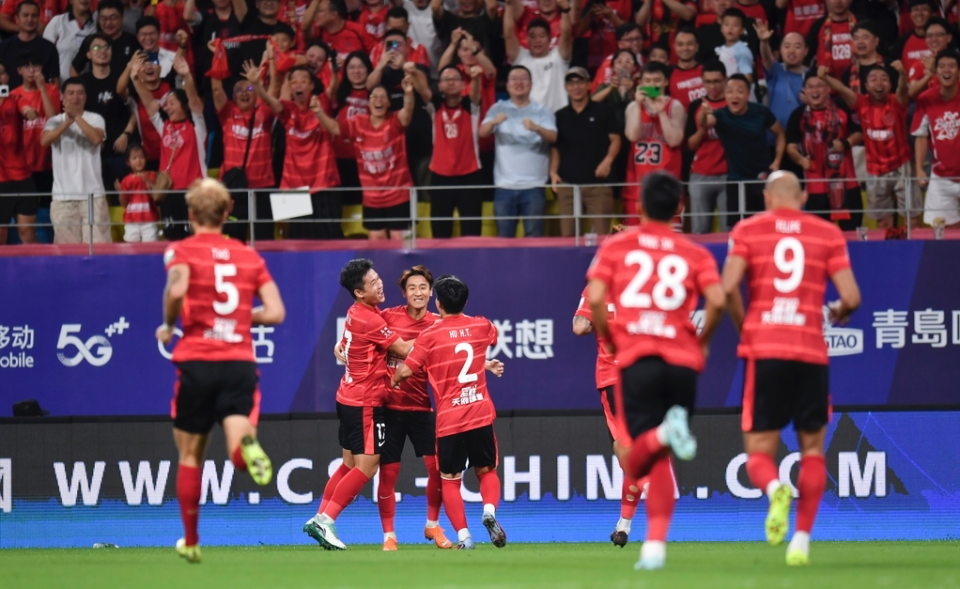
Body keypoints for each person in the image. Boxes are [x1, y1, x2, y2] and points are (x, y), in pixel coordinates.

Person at [586, 171, 725, 570]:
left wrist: (613, 341)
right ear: (681, 207)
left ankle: (664, 437)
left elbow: (595, 298)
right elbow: (717, 300)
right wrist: (703, 341)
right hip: (681, 363)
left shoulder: (617, 247)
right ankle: (654, 547)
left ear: (640, 206)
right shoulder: (694, 252)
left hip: (639, 363)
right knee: (661, 457)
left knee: (642, 453)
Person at [721, 170, 861, 566]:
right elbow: (852, 297)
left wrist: (747, 329)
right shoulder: (827, 233)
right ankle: (801, 540)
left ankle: (775, 490)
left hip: (765, 350)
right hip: (810, 352)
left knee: (758, 454)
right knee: (813, 450)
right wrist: (839, 310)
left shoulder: (748, 230)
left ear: (767, 198)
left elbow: (727, 287)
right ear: (802, 198)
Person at [155, 178, 285, 563]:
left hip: (197, 359)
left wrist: (169, 323)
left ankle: (191, 540)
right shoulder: (249, 256)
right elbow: (276, 312)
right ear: (228, 212)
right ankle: (245, 450)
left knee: (190, 454)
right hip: (238, 362)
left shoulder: (181, 250)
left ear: (191, 214)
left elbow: (175, 291)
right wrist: (241, 317)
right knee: (238, 439)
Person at [304, 258, 413, 551]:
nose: (380, 284)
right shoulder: (370, 319)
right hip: (366, 402)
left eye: (378, 278)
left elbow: (345, 345)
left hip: (348, 397)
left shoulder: (356, 312)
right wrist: (436, 338)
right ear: (359, 292)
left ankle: (319, 517)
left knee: (348, 465)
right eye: (372, 282)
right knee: (367, 467)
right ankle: (326, 520)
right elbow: (404, 349)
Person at [391, 274, 507, 551]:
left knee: (451, 481)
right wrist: (484, 363)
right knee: (487, 471)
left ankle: (464, 537)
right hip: (479, 413)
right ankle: (489, 511)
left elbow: (406, 370)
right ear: (464, 301)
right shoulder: (481, 325)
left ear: (438, 304)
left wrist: (393, 379)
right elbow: (492, 335)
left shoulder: (429, 335)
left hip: (450, 420)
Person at [572, 223, 643, 546]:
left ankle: (648, 476)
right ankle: (624, 525)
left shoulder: (598, 287)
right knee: (628, 450)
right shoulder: (649, 287)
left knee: (627, 451)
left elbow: (579, 327)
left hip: (615, 376)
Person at [820, 62, 918, 228]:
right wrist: (825, 77)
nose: (879, 83)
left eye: (884, 79)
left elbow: (902, 90)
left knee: (912, 220)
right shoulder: (862, 103)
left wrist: (902, 73)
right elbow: (842, 89)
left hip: (903, 167)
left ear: (890, 85)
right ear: (866, 86)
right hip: (875, 170)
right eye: (873, 79)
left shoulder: (897, 102)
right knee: (883, 222)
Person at [131, 54, 207, 240]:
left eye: (172, 103)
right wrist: (135, 79)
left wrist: (187, 76)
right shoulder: (164, 127)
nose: (167, 107)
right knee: (172, 239)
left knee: (193, 239)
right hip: (168, 193)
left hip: (193, 191)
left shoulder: (196, 127)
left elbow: (194, 101)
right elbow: (149, 103)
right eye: (166, 104)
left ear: (184, 106)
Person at [479, 65, 557, 238]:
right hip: (504, 187)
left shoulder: (542, 110)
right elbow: (482, 133)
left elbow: (553, 137)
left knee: (534, 238)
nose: (519, 83)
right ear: (507, 85)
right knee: (504, 239)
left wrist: (536, 128)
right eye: (514, 79)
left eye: (523, 79)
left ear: (531, 84)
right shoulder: (498, 108)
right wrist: (494, 122)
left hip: (534, 186)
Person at [697, 74, 785, 223]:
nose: (734, 96)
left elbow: (780, 134)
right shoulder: (721, 115)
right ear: (725, 94)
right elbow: (705, 123)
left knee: (765, 225)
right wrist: (703, 113)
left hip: (762, 178)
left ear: (748, 94)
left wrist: (777, 161)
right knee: (738, 227)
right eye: (730, 91)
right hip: (736, 180)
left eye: (740, 91)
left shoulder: (761, 112)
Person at [786, 70, 862, 229]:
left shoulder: (843, 107)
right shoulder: (797, 115)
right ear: (805, 91)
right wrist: (800, 159)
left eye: (819, 86)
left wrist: (846, 143)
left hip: (846, 183)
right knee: (819, 233)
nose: (815, 90)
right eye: (810, 87)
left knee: (852, 232)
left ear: (828, 88)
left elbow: (859, 133)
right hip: (816, 186)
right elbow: (791, 146)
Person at [550, 66, 620, 237]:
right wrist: (552, 172)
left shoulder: (604, 110)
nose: (576, 87)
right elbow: (556, 147)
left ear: (589, 85)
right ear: (566, 87)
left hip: (598, 185)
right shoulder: (560, 116)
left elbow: (616, 139)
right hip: (568, 185)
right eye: (571, 83)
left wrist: (608, 161)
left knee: (601, 236)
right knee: (568, 237)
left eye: (580, 82)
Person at [41, 77, 110, 244]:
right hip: (63, 198)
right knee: (67, 253)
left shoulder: (96, 119)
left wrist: (77, 117)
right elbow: (44, 141)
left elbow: (96, 139)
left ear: (85, 96)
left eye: (80, 93)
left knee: (99, 249)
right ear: (63, 97)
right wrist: (66, 123)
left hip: (93, 196)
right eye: (70, 93)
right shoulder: (54, 121)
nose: (75, 97)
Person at [79, 33, 138, 230]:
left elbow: (135, 111)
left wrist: (126, 134)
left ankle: (130, 237)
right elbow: (77, 116)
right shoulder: (82, 83)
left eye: (107, 47)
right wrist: (92, 137)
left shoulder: (122, 78)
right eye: (96, 48)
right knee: (98, 202)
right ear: (88, 54)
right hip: (94, 151)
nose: (102, 51)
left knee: (126, 198)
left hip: (121, 150)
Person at [213, 67, 278, 241]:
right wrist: (217, 58)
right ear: (233, 96)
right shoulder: (227, 113)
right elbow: (216, 89)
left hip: (262, 187)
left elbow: (274, 90)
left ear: (256, 94)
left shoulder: (264, 113)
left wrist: (271, 63)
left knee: (264, 238)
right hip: (234, 190)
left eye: (249, 89)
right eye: (239, 90)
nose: (244, 93)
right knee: (234, 238)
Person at [425, 65, 485, 238]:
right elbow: (422, 90)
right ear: (439, 85)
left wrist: (475, 78)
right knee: (440, 232)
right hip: (440, 176)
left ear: (463, 84)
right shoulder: (435, 106)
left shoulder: (470, 106)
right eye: (446, 79)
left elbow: (475, 94)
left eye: (455, 79)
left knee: (472, 232)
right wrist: (412, 72)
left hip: (470, 175)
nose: (450, 82)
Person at [623, 61, 685, 225]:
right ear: (641, 83)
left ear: (666, 82)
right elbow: (632, 136)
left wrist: (661, 112)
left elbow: (674, 140)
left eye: (657, 80)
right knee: (636, 238)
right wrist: (638, 105)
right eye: (648, 81)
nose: (652, 85)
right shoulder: (632, 107)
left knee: (669, 236)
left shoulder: (675, 107)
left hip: (668, 187)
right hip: (637, 188)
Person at [913, 50, 960, 228]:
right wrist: (919, 169)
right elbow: (921, 135)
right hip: (941, 178)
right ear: (936, 71)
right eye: (942, 66)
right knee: (943, 234)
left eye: (952, 66)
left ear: (959, 71)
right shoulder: (926, 99)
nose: (947, 70)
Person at [504, 5, 573, 113]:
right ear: (527, 40)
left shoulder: (558, 57)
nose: (537, 40)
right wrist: (508, 5)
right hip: (528, 119)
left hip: (557, 119)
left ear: (550, 39)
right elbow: (508, 34)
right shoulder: (521, 58)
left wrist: (565, 10)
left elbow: (566, 34)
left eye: (542, 36)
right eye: (532, 36)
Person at [685, 60, 728, 233]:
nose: (712, 86)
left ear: (725, 79)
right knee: (699, 232)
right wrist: (703, 127)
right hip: (700, 175)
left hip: (728, 175)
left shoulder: (734, 104)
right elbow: (690, 144)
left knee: (728, 232)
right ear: (702, 82)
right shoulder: (696, 106)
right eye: (708, 82)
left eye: (716, 81)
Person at [0, 61, 39, 245]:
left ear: (7, 77)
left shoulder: (16, 99)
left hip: (23, 178)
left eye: (1, 73)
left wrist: (29, 112)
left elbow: (26, 109)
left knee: (27, 234)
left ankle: (40, 264)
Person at [756, 21, 806, 141]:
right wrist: (764, 42)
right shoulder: (776, 70)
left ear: (806, 51)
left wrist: (812, 102)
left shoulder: (812, 76)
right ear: (780, 50)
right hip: (775, 139)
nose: (792, 51)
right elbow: (767, 58)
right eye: (787, 46)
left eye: (797, 47)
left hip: (802, 140)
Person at [0, 0, 60, 89]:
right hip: (10, 96)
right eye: (25, 15)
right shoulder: (3, 47)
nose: (30, 19)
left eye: (34, 16)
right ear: (17, 18)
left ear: (39, 19)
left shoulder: (49, 47)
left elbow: (55, 80)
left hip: (41, 96)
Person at [71, 0, 140, 76]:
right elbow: (74, 69)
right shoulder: (91, 41)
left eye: (113, 18)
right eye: (103, 18)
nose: (108, 23)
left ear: (122, 18)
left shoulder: (133, 41)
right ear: (98, 19)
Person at [43, 0, 97, 82]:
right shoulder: (58, 22)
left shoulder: (97, 25)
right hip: (59, 84)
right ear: (71, 1)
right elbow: (44, 54)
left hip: (87, 85)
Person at [114, 144, 159, 242]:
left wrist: (148, 183)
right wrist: (120, 190)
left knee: (150, 246)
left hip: (149, 219)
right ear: (128, 162)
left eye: (141, 157)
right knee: (131, 245)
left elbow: (156, 197)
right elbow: (124, 204)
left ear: (146, 159)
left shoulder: (152, 176)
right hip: (131, 220)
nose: (138, 161)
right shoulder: (126, 181)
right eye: (134, 158)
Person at [806, 0, 856, 80]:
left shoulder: (861, 24)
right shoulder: (818, 25)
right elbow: (807, 58)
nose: (838, 1)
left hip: (857, 81)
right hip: (826, 83)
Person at [590, 23, 643, 93]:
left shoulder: (644, 60)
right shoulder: (609, 63)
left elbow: (655, 91)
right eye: (630, 40)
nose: (635, 43)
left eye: (638, 38)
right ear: (620, 44)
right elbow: (597, 95)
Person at [907, 18, 952, 99]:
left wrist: (936, 70)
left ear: (949, 38)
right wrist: (928, 76)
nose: (934, 39)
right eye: (929, 36)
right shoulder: (919, 64)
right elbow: (911, 92)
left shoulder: (957, 61)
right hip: (929, 104)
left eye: (939, 35)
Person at [669, 28, 704, 109]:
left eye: (690, 44)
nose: (685, 48)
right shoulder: (667, 73)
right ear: (674, 47)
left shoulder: (707, 70)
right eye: (680, 44)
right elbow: (651, 91)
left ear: (697, 47)